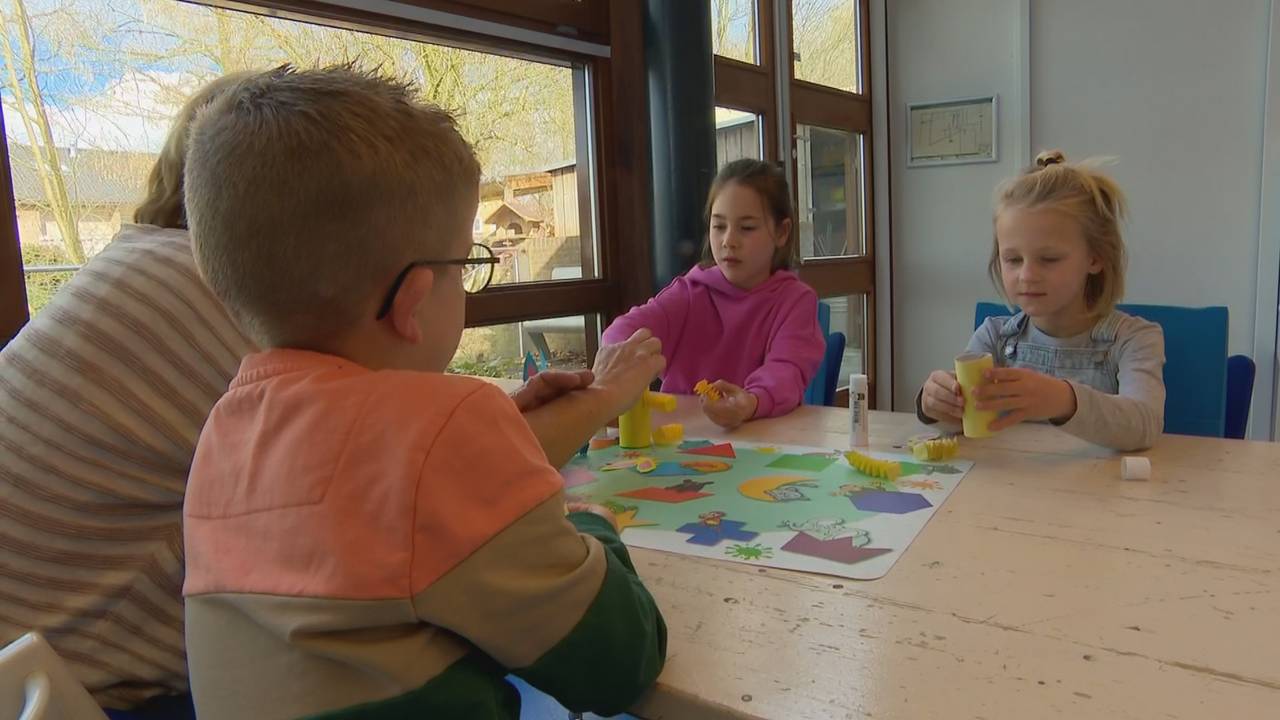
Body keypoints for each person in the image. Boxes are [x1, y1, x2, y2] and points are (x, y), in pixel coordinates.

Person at [180, 65, 667, 719]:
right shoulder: (442, 433)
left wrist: (497, 438)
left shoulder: (225, 433)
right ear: (412, 301)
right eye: (466, 262)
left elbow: (380, 507)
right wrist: (591, 526)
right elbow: (619, 661)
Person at [918, 150, 1165, 451]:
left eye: (1048, 259)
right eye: (1012, 259)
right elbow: (962, 421)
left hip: (1102, 494)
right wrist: (934, 402)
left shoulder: (1135, 339)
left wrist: (1063, 400)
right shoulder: (995, 337)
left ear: (1095, 258)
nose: (1027, 275)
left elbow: (1144, 425)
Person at [601, 159, 824, 429]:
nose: (729, 240)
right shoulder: (688, 293)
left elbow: (786, 371)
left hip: (762, 441)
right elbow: (624, 331)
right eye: (719, 226)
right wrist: (611, 373)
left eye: (747, 228)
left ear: (781, 232)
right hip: (683, 443)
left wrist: (750, 402)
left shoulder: (795, 301)